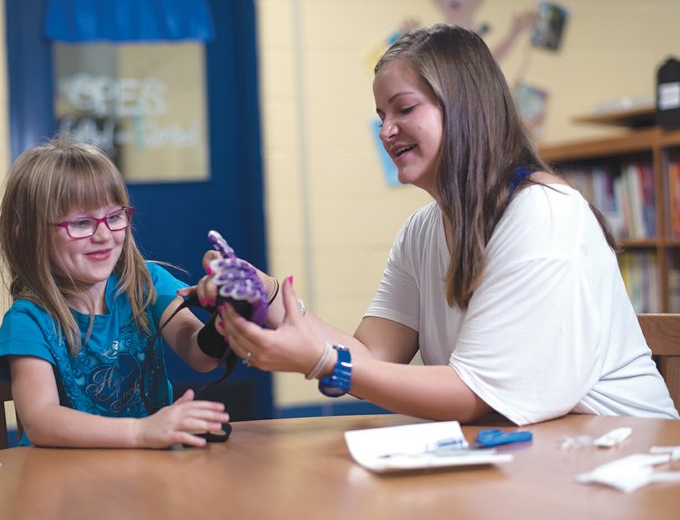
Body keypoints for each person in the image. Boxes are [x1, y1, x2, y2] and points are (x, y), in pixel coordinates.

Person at [195, 24, 679, 425]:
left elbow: (474, 395)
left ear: (466, 108)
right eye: (381, 115)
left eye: (404, 109)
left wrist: (324, 363)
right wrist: (271, 297)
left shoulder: (543, 214)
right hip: (540, 453)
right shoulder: (422, 230)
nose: (386, 130)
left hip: (628, 460)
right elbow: (375, 356)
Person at [0, 137, 230, 449]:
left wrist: (229, 313)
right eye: (81, 223)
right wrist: (140, 432)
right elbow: (41, 420)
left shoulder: (146, 283)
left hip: (142, 474)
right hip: (60, 481)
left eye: (114, 217)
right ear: (29, 238)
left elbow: (200, 355)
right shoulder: (29, 320)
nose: (104, 235)